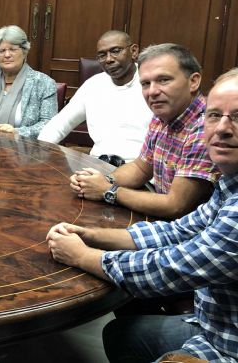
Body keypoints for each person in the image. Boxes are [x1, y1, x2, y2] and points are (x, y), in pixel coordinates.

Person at [46, 68, 238, 362]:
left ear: (193, 81)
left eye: (236, 116)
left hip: (227, 346)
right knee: (120, 334)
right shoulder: (229, 183)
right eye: (214, 115)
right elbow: (179, 230)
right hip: (213, 323)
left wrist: (83, 256)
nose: (222, 127)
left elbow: (173, 267)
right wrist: (92, 236)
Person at [69, 43, 218, 220]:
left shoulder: (205, 128)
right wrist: (101, 181)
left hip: (190, 229)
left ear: (193, 81)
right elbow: (140, 168)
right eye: (146, 83)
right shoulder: (163, 115)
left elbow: (175, 205)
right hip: (162, 218)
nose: (152, 91)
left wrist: (107, 190)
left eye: (164, 80)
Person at [38, 30, 152, 161]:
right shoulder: (93, 85)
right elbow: (60, 123)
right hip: (98, 164)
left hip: (143, 166)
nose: (108, 59)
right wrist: (40, 150)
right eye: (102, 55)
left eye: (115, 51)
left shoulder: (153, 84)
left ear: (134, 51)